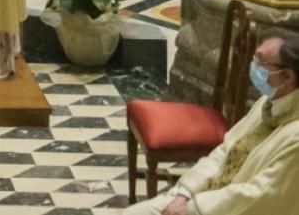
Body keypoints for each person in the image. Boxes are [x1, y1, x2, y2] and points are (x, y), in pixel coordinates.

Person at [124, 31, 299, 215]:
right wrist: (185, 193)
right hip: (207, 198)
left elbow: (261, 196)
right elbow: (225, 150)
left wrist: (193, 209)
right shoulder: (267, 102)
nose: (253, 65)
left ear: (287, 77)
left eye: (261, 61)